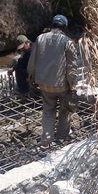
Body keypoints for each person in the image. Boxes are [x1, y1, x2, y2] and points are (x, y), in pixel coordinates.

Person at [28, 15, 78, 146]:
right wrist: (73, 87)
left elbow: (32, 62)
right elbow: (71, 67)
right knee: (64, 111)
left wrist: (31, 78)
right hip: (62, 85)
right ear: (65, 27)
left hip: (44, 84)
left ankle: (47, 139)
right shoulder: (67, 42)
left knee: (48, 110)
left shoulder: (40, 38)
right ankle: (62, 137)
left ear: (53, 25)